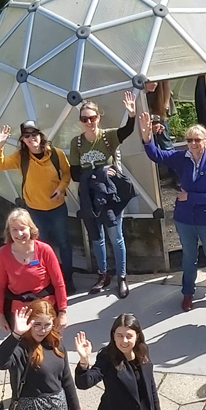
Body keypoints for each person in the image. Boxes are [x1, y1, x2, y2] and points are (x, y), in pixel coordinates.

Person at [138, 112, 206, 312]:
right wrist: (147, 137)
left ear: (205, 141)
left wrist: (189, 197)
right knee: (189, 256)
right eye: (189, 140)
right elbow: (157, 155)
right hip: (185, 219)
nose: (193, 144)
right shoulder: (183, 158)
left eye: (197, 140)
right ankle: (188, 293)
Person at [0, 120, 74, 292]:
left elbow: (66, 173)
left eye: (34, 134)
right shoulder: (21, 157)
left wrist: (61, 188)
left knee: (64, 243)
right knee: (41, 246)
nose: (31, 139)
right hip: (35, 211)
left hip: (57, 208)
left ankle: (67, 279)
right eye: (27, 136)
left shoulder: (55, 154)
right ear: (23, 140)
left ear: (41, 135)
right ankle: (47, 279)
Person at [70, 95, 135, 295]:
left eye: (92, 118)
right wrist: (99, 172)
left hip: (110, 196)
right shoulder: (77, 143)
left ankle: (121, 277)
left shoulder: (108, 136)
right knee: (96, 238)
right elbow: (74, 173)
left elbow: (127, 131)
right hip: (90, 197)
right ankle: (103, 275)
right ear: (80, 121)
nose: (89, 122)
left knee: (116, 236)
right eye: (84, 119)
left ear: (99, 117)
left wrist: (131, 115)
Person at [0, 209, 68, 335]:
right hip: (19, 313)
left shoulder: (44, 250)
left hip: (45, 310)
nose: (19, 233)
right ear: (9, 232)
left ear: (30, 229)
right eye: (14, 230)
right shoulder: (2, 253)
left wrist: (62, 312)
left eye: (23, 228)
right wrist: (0, 315)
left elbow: (58, 283)